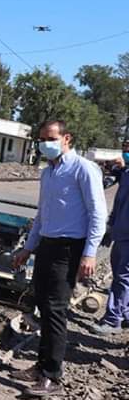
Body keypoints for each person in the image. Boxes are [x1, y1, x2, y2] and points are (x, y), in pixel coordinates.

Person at [12, 119, 107, 397]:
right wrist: (28, 248)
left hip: (69, 248)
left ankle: (52, 377)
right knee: (43, 303)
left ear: (67, 138)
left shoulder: (84, 169)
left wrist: (89, 253)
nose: (45, 144)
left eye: (51, 138)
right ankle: (41, 366)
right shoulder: (48, 173)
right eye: (42, 139)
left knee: (55, 310)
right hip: (48, 245)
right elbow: (42, 215)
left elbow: (98, 214)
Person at [90, 140, 129, 335]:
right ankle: (125, 314)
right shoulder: (126, 174)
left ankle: (113, 320)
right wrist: (110, 226)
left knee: (122, 277)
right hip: (121, 232)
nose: (126, 151)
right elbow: (119, 202)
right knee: (121, 274)